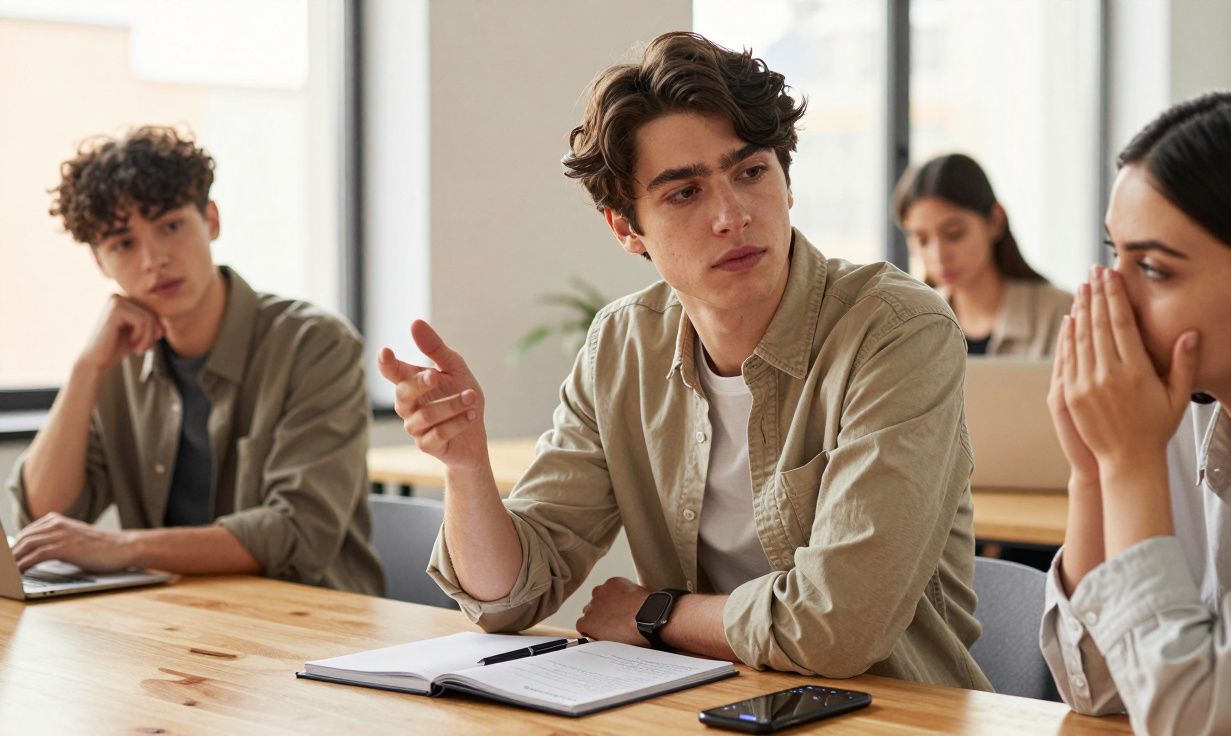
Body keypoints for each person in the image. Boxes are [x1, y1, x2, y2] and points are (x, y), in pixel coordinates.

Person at [378, 32, 989, 687]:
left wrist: (656, 614)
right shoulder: (622, 347)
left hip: (892, 717)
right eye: (684, 193)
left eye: (751, 172)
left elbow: (837, 629)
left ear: (786, 181)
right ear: (625, 228)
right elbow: (507, 596)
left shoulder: (894, 327)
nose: (731, 215)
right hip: (699, 710)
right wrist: (466, 465)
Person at [5, 127, 383, 595]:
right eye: (123, 243)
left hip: (319, 631)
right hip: (175, 628)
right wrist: (85, 371)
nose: (154, 259)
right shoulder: (115, 362)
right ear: (100, 263)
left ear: (211, 220)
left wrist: (122, 547)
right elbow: (43, 518)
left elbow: (299, 533)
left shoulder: (315, 344)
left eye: (170, 225)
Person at [1042, 85, 1231, 734]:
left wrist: (1129, 464)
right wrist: (1093, 474)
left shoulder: (1145, 444)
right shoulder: (1175, 424)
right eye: (1115, 256)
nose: (1112, 297)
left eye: (1155, 269)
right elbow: (1100, 691)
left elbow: (1184, 715)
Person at [894, 153, 1072, 357]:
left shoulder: (1063, 315)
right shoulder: (913, 325)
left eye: (954, 234)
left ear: (995, 221)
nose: (939, 256)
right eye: (922, 240)